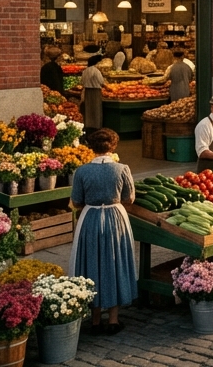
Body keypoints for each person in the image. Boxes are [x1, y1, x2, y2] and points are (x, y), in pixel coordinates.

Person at [69, 128, 137, 334]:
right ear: (113, 146)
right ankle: (114, 320)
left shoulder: (81, 171)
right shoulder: (122, 168)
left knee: (92, 263)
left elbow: (76, 201)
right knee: (114, 263)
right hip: (115, 218)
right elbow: (129, 199)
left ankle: (96, 320)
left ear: (91, 148)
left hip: (89, 219)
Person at [80, 55, 106, 132]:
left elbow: (82, 82)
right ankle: (96, 125)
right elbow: (101, 82)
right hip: (96, 91)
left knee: (88, 108)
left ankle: (88, 124)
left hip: (87, 91)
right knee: (96, 108)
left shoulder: (85, 71)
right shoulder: (96, 71)